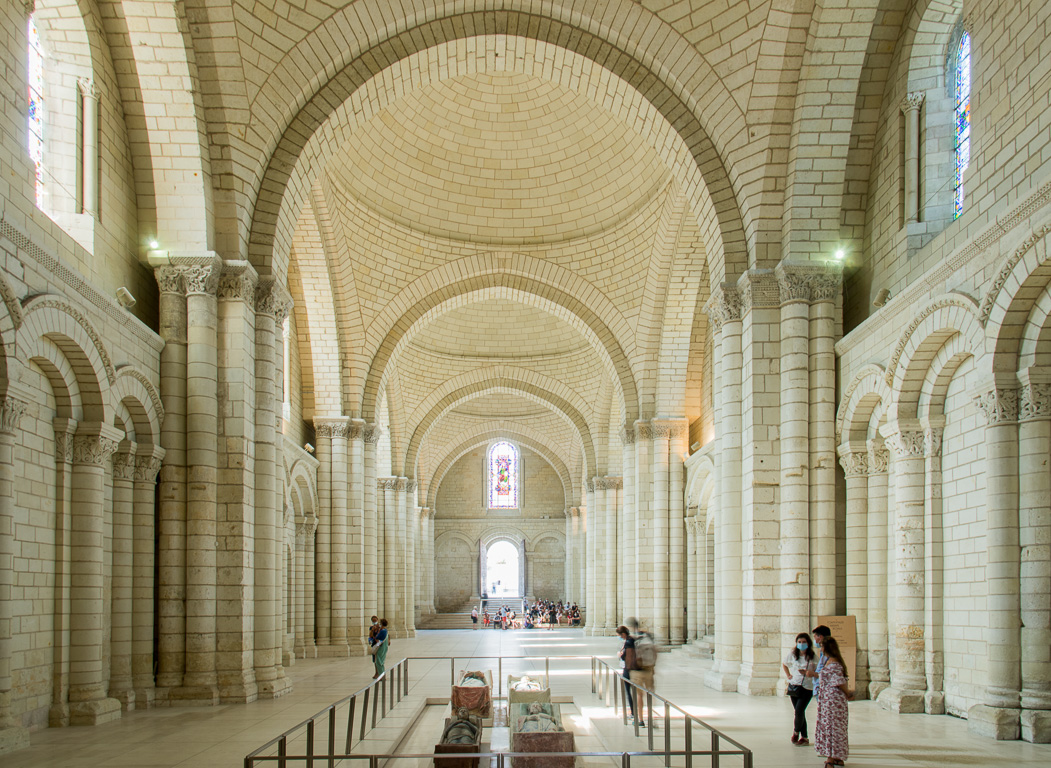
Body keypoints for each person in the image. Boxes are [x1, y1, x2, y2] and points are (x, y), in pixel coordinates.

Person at [814, 637, 850, 767]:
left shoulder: (834, 663)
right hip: (830, 700)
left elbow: (839, 682)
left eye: (822, 646)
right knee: (836, 727)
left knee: (831, 728)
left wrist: (848, 693)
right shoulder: (831, 661)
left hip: (832, 701)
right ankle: (838, 756)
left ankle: (830, 758)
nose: (821, 649)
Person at [783, 632, 817, 746]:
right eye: (799, 642)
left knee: (799, 710)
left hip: (807, 687)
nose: (801, 644)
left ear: (808, 643)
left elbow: (818, 671)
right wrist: (788, 675)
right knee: (799, 712)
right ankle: (805, 737)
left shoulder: (813, 656)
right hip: (794, 685)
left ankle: (796, 732)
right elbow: (784, 664)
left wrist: (810, 673)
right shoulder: (793, 654)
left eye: (803, 642)